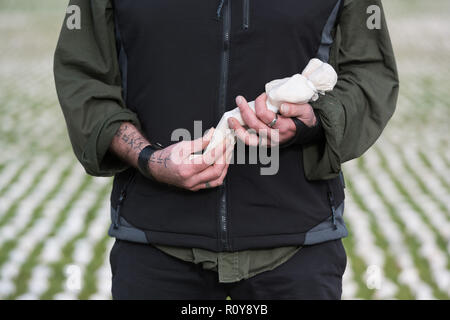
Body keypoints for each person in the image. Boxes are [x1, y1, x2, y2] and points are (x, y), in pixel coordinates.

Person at [54, 0, 398, 300]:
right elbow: (84, 80)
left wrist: (315, 119)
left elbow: (370, 73)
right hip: (154, 245)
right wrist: (149, 158)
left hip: (298, 246)